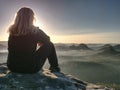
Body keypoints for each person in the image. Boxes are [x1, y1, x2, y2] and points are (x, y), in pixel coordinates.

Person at [7, 7, 60, 73]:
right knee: (50, 45)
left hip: (12, 67)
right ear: (31, 18)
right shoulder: (34, 31)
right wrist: (40, 41)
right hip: (30, 68)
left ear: (17, 17)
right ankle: (54, 67)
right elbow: (47, 40)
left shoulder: (12, 31)